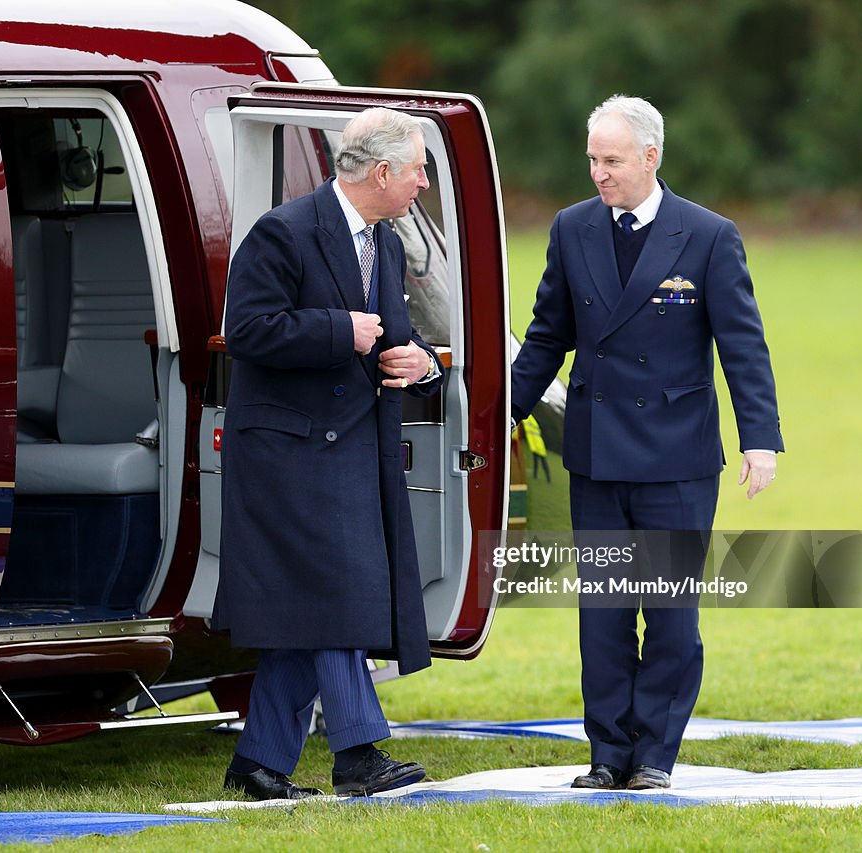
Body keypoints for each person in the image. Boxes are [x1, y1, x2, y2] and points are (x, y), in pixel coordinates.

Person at [511, 95, 783, 790]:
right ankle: (607, 754)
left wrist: (760, 439)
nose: (598, 173)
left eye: (612, 160)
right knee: (603, 612)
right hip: (597, 454)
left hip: (678, 460)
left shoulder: (709, 235)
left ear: (650, 157)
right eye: (592, 160)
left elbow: (741, 345)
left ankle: (655, 754)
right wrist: (500, 414)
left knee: (668, 613)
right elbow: (547, 336)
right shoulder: (572, 229)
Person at [213, 107, 444, 800]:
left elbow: (395, 339)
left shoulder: (390, 243)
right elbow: (247, 330)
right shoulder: (283, 232)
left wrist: (421, 362)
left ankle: (259, 762)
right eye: (417, 169)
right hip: (287, 455)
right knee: (335, 595)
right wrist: (337, 330)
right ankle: (359, 752)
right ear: (381, 173)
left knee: (307, 608)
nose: (423, 183)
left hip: (354, 452)